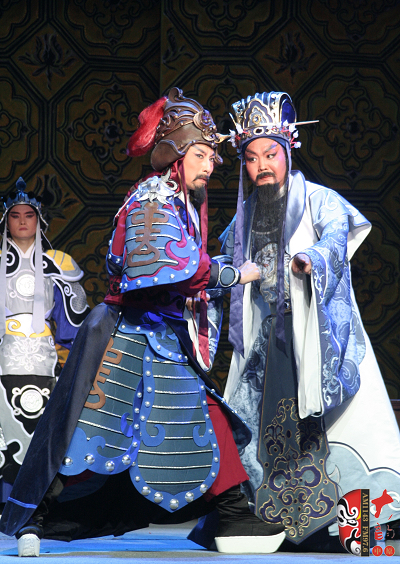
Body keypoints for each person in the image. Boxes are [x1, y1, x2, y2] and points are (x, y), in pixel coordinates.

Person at [0, 88, 286, 557]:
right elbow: (163, 266)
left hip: (155, 333)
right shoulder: (154, 197)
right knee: (88, 428)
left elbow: (183, 265)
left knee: (198, 415)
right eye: (200, 155)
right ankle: (37, 516)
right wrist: (235, 273)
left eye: (211, 156)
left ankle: (233, 512)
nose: (210, 165)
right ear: (176, 155)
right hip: (130, 333)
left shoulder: (176, 199)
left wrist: (214, 271)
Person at [219, 91, 400, 551]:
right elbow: (225, 262)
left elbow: (338, 238)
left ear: (288, 151)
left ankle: (355, 525)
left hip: (315, 334)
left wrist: (311, 260)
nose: (261, 166)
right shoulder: (244, 215)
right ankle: (272, 521)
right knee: (261, 430)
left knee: (340, 428)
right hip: (267, 340)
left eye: (270, 154)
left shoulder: (319, 199)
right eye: (251, 158)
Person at [0, 178, 90, 506]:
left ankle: (36, 507)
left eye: (29, 215)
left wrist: (75, 368)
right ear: (5, 221)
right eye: (15, 216)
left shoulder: (58, 264)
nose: (22, 222)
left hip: (45, 362)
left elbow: (73, 326)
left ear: (40, 221)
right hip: (3, 359)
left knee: (41, 434)